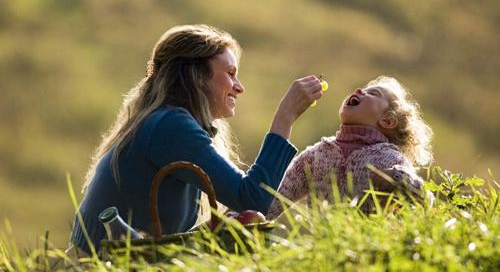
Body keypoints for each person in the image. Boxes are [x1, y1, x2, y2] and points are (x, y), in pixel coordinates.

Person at [68, 24, 324, 255]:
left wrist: (216, 227)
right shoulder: (170, 125)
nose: (239, 86)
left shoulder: (166, 122)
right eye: (231, 73)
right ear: (198, 77)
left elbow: (162, 242)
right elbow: (253, 198)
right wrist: (286, 116)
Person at [267, 76, 434, 219]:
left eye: (373, 93)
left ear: (387, 121)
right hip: (322, 250)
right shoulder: (317, 155)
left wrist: (397, 178)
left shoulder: (389, 157)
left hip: (368, 251)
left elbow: (424, 199)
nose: (360, 90)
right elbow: (273, 202)